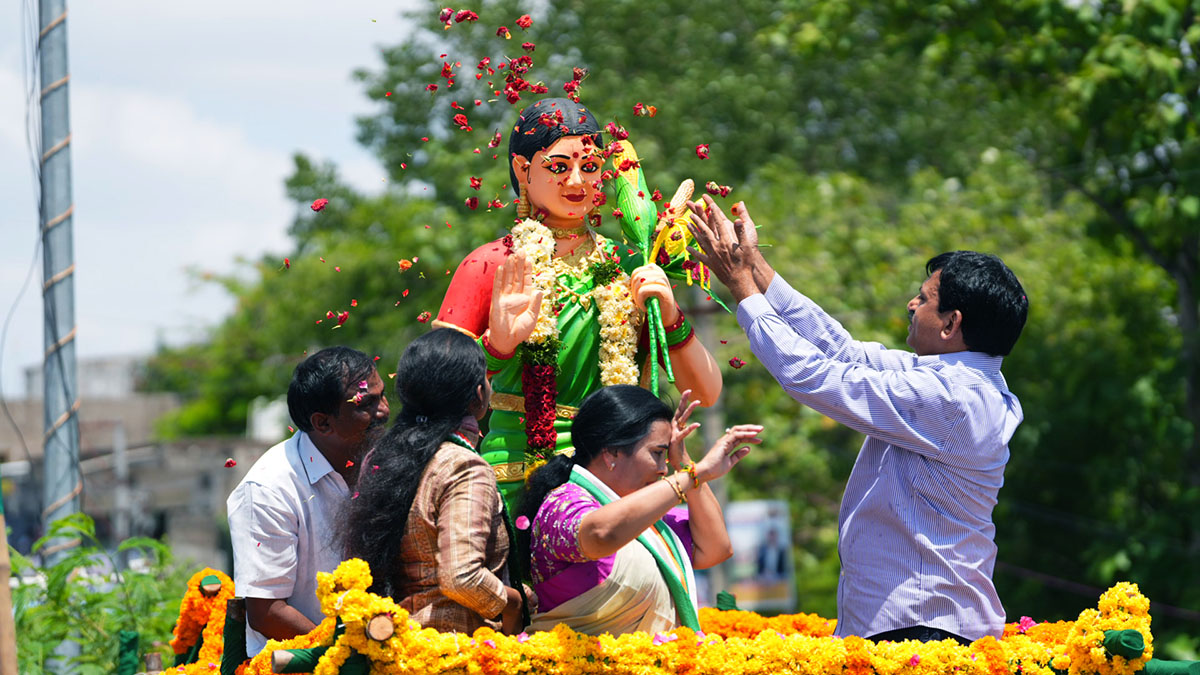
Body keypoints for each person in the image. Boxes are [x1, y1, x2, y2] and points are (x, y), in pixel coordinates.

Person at [686, 195, 1028, 644]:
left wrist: (743, 290)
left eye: (924, 299)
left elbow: (814, 376)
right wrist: (756, 267)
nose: (911, 303)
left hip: (924, 632)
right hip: (913, 625)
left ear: (951, 324)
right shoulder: (950, 381)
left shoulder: (953, 398)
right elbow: (842, 352)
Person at [434, 97, 722, 512]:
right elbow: (434, 394)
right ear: (521, 169)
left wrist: (671, 314)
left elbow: (707, 393)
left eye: (589, 167)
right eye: (557, 166)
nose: (575, 182)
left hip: (617, 483)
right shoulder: (493, 264)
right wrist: (496, 347)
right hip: (514, 483)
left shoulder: (629, 270)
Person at [517, 384, 761, 635]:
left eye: (667, 458)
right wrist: (692, 476)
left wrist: (685, 463)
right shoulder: (563, 502)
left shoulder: (651, 521)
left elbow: (715, 549)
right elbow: (601, 535)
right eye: (657, 453)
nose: (663, 469)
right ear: (612, 452)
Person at [339, 329, 526, 633]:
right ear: (479, 395)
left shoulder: (381, 457)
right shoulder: (463, 466)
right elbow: (462, 578)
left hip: (397, 645)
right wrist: (515, 602)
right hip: (455, 651)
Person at [227, 346, 390, 656]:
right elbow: (266, 611)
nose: (383, 411)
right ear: (323, 423)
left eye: (382, 396)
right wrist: (346, 656)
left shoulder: (382, 463)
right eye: (366, 404)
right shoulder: (270, 488)